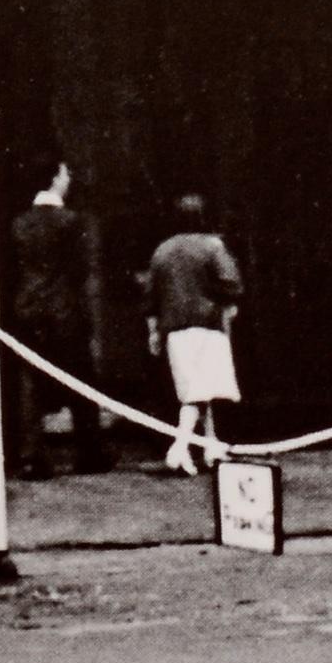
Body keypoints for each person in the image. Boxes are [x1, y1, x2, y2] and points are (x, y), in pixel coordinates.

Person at [4, 162, 108, 476]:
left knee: (31, 383)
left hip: (29, 308)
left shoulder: (20, 223)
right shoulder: (72, 223)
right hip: (65, 311)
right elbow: (80, 271)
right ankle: (90, 450)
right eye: (64, 174)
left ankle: (31, 455)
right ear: (54, 180)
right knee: (80, 380)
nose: (68, 179)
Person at [141, 196, 244, 475]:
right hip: (207, 326)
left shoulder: (162, 250)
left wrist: (153, 332)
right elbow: (231, 284)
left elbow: (150, 297)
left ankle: (210, 445)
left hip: (175, 330)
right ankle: (179, 446)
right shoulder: (211, 246)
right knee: (198, 393)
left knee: (197, 388)